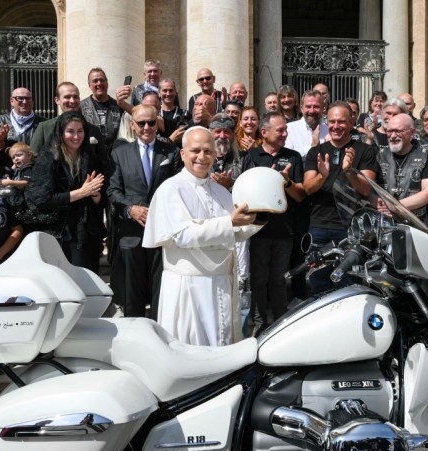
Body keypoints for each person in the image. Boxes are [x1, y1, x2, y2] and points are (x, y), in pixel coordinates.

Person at [142, 127, 261, 346]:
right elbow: (182, 235)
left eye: (208, 151)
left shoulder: (221, 191)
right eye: (195, 150)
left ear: (215, 155)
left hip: (221, 284)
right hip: (188, 288)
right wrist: (229, 222)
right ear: (182, 153)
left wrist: (260, 217)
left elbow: (235, 232)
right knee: (191, 349)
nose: (202, 157)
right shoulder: (171, 189)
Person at [107, 104, 183, 317]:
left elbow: (179, 188)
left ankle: (159, 331)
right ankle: (136, 333)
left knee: (161, 291)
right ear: (132, 125)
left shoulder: (171, 152)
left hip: (162, 233)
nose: (147, 127)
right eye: (141, 123)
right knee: (132, 296)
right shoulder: (119, 153)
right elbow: (113, 190)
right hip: (131, 233)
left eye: (151, 122)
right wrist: (130, 209)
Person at [238, 112, 306, 335]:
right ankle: (260, 326)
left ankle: (280, 324)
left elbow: (300, 196)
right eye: (280, 130)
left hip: (284, 231)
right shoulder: (250, 156)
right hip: (257, 230)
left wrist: (286, 182)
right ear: (264, 132)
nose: (285, 134)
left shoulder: (293, 157)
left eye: (286, 130)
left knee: (278, 280)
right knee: (258, 280)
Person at [303, 101, 380, 294]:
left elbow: (365, 189)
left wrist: (349, 171)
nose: (336, 126)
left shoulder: (365, 151)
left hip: (350, 230)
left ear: (352, 122)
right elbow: (308, 189)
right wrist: (322, 176)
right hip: (319, 227)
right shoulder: (316, 152)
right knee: (318, 286)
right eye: (332, 121)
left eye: (341, 122)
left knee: (348, 287)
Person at [25, 111, 107, 273]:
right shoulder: (48, 158)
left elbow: (101, 201)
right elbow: (42, 199)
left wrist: (95, 195)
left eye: (80, 131)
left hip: (87, 233)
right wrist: (81, 193)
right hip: (58, 234)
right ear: (61, 133)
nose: (76, 136)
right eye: (70, 131)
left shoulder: (91, 158)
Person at [376, 113, 428, 222]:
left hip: (415, 222)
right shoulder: (378, 154)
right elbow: (368, 188)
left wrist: (395, 207)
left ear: (412, 132)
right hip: (382, 220)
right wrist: (378, 204)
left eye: (398, 131)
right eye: (389, 131)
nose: (393, 136)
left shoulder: (426, 155)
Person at [30, 81, 106, 157]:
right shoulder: (44, 128)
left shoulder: (93, 130)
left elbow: (103, 160)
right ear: (57, 100)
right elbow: (32, 158)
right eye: (67, 97)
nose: (72, 101)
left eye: (75, 97)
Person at [80, 67, 124, 150]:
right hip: (90, 153)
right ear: (89, 86)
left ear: (107, 83)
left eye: (102, 80)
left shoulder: (119, 106)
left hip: (114, 153)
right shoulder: (81, 107)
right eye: (95, 81)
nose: (99, 83)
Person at [285, 89, 328, 159]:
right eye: (308, 107)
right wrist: (312, 147)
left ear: (323, 108)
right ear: (301, 108)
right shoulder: (289, 129)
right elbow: (288, 158)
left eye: (316, 107)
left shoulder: (329, 131)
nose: (312, 111)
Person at [209, 113, 240, 190]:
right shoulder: (203, 158)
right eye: (218, 131)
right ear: (211, 134)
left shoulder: (244, 158)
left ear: (233, 135)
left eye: (226, 131)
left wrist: (229, 186)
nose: (222, 136)